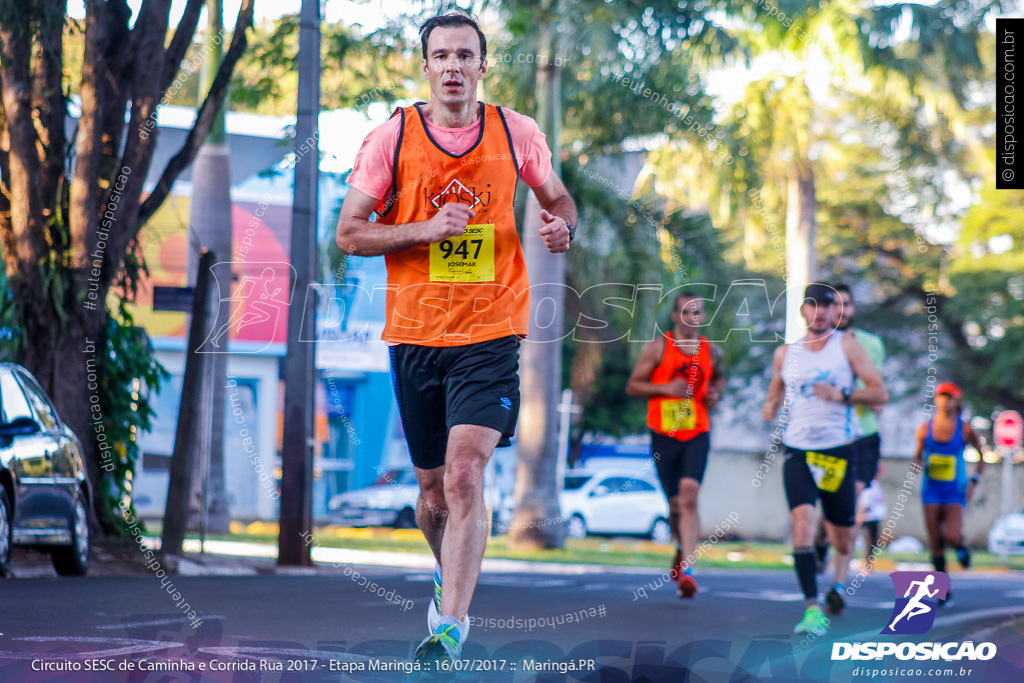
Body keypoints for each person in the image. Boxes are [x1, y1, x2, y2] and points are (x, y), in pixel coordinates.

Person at [335, 12, 578, 663]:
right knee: (434, 492)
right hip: (414, 336)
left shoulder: (515, 132)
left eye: (464, 55)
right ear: (425, 66)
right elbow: (349, 233)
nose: (452, 66)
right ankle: (449, 573)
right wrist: (423, 228)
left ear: (482, 65)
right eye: (440, 55)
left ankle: (451, 627)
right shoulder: (393, 138)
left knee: (468, 472)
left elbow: (559, 200)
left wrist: (561, 227)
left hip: (490, 330)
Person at [762, 283, 888, 635]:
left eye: (827, 306)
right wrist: (769, 407)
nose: (820, 312)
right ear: (803, 311)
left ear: (836, 312)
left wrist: (842, 394)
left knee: (843, 536)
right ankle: (811, 608)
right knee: (802, 522)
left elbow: (879, 391)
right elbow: (774, 394)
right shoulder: (786, 353)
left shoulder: (847, 346)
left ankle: (838, 581)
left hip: (836, 452)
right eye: (813, 306)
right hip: (798, 451)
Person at [626, 292, 726, 598]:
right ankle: (682, 547)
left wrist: (713, 394)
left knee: (689, 494)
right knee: (674, 505)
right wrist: (664, 388)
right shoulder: (659, 347)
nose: (692, 318)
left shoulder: (712, 350)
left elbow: (719, 379)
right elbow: (633, 386)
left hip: (697, 431)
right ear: (675, 315)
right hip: (664, 433)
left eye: (697, 312)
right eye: (686, 311)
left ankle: (690, 570)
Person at [814, 284, 886, 575]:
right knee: (828, 501)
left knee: (849, 499)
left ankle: (841, 570)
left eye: (847, 304)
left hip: (864, 434)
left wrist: (849, 395)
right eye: (836, 304)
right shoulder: (815, 347)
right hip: (830, 435)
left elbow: (877, 390)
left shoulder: (871, 345)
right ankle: (820, 541)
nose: (842, 310)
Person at [912, 382, 984, 606]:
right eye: (941, 396)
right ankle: (943, 590)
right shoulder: (925, 428)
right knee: (936, 541)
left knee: (950, 536)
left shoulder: (965, 429)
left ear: (957, 401)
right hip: (931, 490)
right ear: (936, 400)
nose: (945, 400)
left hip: (955, 491)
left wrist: (974, 481)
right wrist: (918, 465)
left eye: (949, 396)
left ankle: (961, 546)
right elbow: (917, 456)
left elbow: (982, 457)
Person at [856, 471, 887, 566]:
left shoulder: (876, 485)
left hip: (874, 517)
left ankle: (868, 562)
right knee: (870, 542)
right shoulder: (871, 485)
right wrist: (860, 515)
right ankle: (867, 563)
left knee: (872, 542)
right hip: (869, 518)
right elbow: (865, 502)